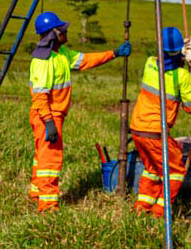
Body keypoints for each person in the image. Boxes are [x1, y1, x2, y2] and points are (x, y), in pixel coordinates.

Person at [28, 11, 131, 212]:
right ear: (54, 33)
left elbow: (85, 60)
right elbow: (40, 96)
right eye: (62, 29)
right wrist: (49, 122)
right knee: (50, 160)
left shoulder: (62, 54)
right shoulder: (43, 61)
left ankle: (35, 194)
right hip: (47, 116)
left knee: (41, 156)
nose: (66, 31)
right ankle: (48, 206)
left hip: (52, 115)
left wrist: (114, 53)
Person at [128, 26, 191, 217]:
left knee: (152, 169)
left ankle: (142, 206)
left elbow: (167, 59)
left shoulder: (150, 63)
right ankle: (160, 210)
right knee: (175, 170)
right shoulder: (182, 76)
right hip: (156, 133)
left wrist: (181, 52)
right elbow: (190, 107)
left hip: (137, 129)